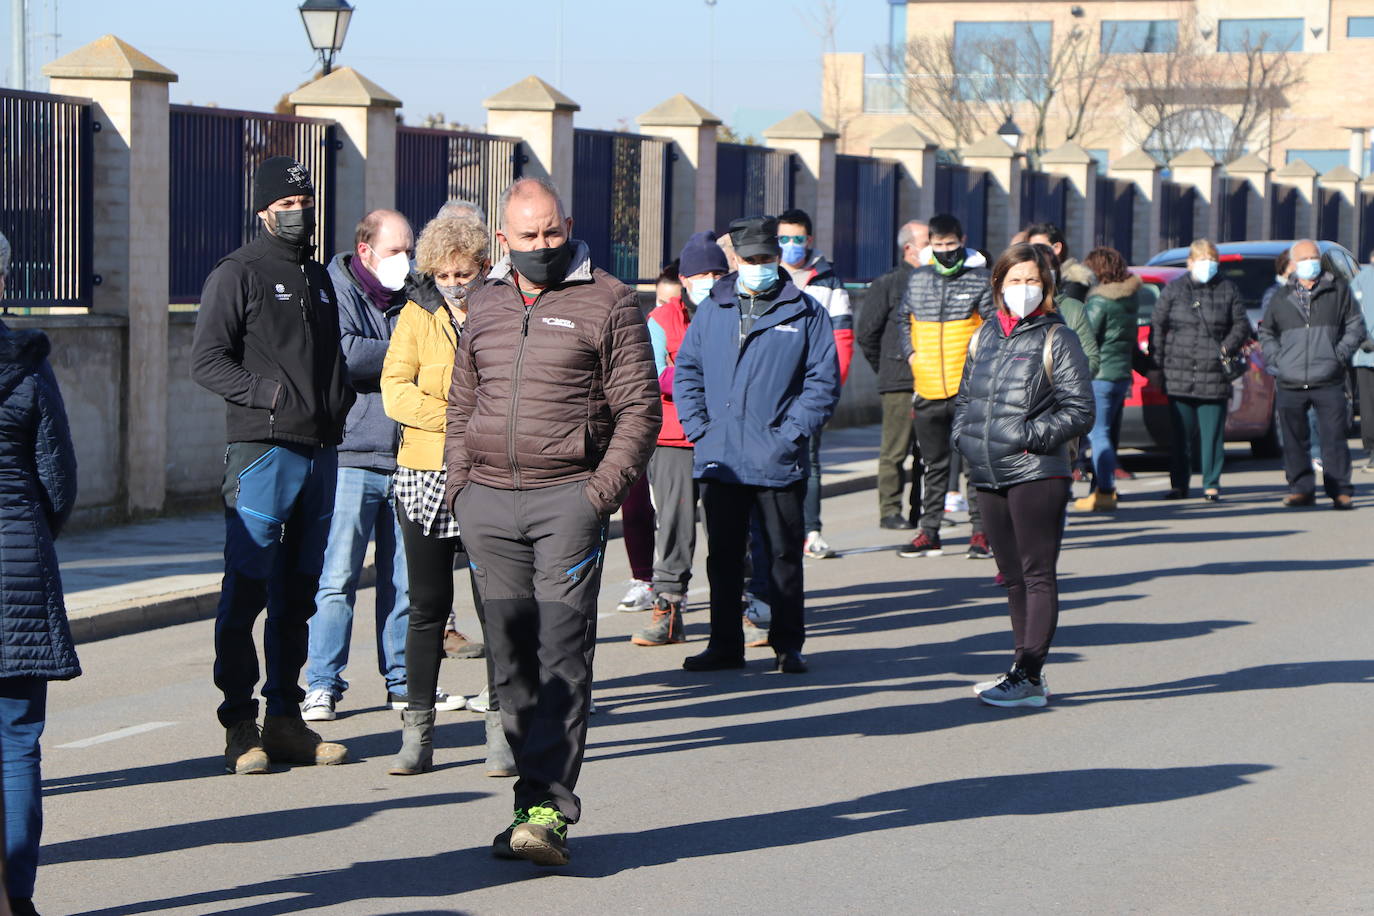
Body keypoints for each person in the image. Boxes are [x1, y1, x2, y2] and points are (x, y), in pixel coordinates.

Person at [445, 177, 659, 866]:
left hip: (566, 500)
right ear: (502, 240)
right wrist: (459, 488)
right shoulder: (484, 301)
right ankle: (527, 806)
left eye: (552, 233)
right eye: (528, 237)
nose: (542, 247)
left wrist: (597, 494)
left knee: (561, 654)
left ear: (567, 225)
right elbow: (460, 401)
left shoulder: (610, 300)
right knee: (509, 659)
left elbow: (639, 410)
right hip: (488, 504)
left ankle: (545, 810)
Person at [191, 156, 353, 773]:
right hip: (262, 452)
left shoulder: (316, 275)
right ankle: (240, 723)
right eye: (286, 203)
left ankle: (286, 717)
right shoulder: (239, 272)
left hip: (318, 452)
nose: (298, 211)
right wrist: (270, 395)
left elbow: (331, 358)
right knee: (248, 586)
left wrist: (333, 405)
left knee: (299, 592)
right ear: (264, 210)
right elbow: (207, 361)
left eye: (305, 200)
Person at [301, 209, 469, 723]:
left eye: (408, 250)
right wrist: (406, 354)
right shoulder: (335, 288)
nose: (406, 260)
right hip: (353, 455)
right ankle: (323, 684)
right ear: (367, 250)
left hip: (409, 456)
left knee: (405, 580)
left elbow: (447, 351)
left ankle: (403, 682)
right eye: (395, 251)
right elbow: (346, 355)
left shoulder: (415, 294)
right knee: (338, 577)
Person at [673, 216, 841, 674]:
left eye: (767, 259)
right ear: (738, 261)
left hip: (777, 458)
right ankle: (725, 645)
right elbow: (688, 370)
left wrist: (790, 433)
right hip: (720, 458)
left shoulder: (806, 312)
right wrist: (699, 428)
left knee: (784, 556)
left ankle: (788, 644)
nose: (760, 266)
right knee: (723, 558)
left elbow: (822, 382)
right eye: (751, 259)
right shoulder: (713, 309)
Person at [381, 214, 514, 777]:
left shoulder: (505, 311)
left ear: (484, 267)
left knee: (496, 607)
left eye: (464, 272)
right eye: (443, 273)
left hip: (490, 473)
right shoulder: (416, 315)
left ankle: (502, 729)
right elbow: (395, 390)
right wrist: (456, 419)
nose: (455, 283)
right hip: (426, 469)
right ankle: (418, 732)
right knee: (426, 606)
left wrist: (476, 428)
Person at [955, 243, 1094, 707]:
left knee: (1037, 575)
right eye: (1014, 280)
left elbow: (1080, 410)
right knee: (1011, 576)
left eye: (1033, 280)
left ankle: (1028, 669)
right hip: (989, 470)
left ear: (1047, 286)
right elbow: (965, 400)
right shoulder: (985, 335)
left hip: (1037, 471)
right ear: (998, 285)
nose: (1023, 289)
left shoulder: (1059, 337)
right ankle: (1026, 675)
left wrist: (1028, 434)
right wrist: (966, 439)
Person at [0, 235, 80, 916]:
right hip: (19, 564)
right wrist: (31, 535)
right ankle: (17, 898)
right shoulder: (28, 365)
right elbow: (59, 477)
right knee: (18, 740)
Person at [632, 234, 727, 646]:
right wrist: (699, 377)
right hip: (674, 438)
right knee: (674, 527)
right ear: (684, 279)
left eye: (718, 272)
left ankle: (742, 611)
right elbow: (652, 376)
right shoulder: (659, 321)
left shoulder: (736, 311)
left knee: (729, 529)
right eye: (702, 273)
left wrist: (685, 373)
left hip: (726, 436)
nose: (710, 279)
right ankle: (668, 609)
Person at [896, 213, 992, 559]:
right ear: (930, 246)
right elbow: (903, 320)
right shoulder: (919, 279)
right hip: (928, 387)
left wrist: (978, 368)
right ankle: (929, 531)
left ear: (962, 241)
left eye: (951, 245)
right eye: (938, 246)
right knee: (932, 466)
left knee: (973, 465)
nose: (945, 252)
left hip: (968, 390)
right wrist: (911, 356)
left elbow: (992, 326)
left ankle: (981, 532)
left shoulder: (980, 279)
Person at [1259, 239, 1367, 509]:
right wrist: (1277, 360)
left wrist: (1337, 355)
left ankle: (1340, 490)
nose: (1311, 263)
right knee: (1294, 440)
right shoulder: (1281, 296)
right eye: (1306, 258)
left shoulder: (1337, 289)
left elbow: (1355, 326)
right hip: (1291, 378)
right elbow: (1267, 332)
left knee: (1334, 437)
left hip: (1327, 377)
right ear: (1294, 264)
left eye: (1314, 257)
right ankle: (1301, 489)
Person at [1150, 239, 1251, 500]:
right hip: (1178, 372)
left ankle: (1211, 483)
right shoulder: (1174, 290)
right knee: (1180, 436)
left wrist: (1226, 348)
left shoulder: (1228, 289)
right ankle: (1179, 484)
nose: (1207, 265)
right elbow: (1157, 325)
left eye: (1211, 260)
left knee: (1212, 435)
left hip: (1214, 373)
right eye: (1202, 260)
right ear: (1190, 262)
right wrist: (1159, 361)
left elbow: (1241, 325)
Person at [777, 208, 851, 559]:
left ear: (809, 240)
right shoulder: (769, 277)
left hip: (810, 390)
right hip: (773, 390)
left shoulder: (828, 280)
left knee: (810, 462)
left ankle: (812, 531)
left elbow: (843, 339)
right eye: (784, 238)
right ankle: (779, 532)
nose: (791, 245)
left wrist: (828, 390)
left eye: (797, 239)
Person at [612, 265, 677, 614]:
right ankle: (644, 580)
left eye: (672, 302)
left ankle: (671, 582)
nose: (664, 309)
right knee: (635, 504)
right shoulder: (647, 324)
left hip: (677, 433)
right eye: (661, 300)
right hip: (637, 426)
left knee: (672, 512)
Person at [858, 220, 926, 529]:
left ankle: (922, 509)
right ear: (909, 248)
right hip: (899, 379)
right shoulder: (888, 284)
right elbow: (867, 333)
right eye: (928, 243)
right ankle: (890, 510)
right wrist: (885, 367)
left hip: (933, 379)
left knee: (928, 452)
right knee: (895, 451)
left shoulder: (934, 281)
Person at [1072, 247, 1141, 512]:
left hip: (1100, 375)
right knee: (1107, 434)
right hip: (1121, 374)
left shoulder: (1100, 301)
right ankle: (1105, 486)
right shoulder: (1130, 298)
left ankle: (1105, 490)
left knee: (1097, 434)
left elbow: (1088, 337)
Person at [1352, 250, 1374, 472]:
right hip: (1365, 351)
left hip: (1365, 352)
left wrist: (1363, 339)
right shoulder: (1361, 280)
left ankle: (1373, 453)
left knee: (1368, 405)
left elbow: (1351, 315)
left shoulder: (1360, 280)